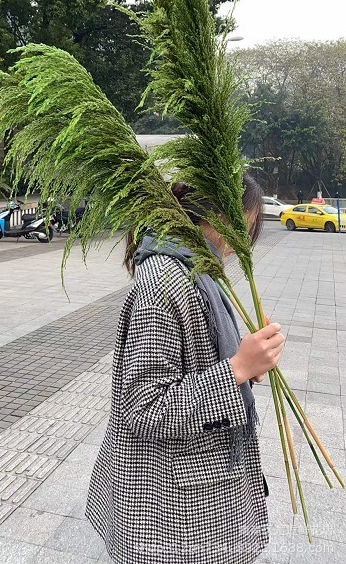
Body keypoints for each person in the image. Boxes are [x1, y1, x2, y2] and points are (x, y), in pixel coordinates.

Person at [85, 174, 285, 564]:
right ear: (224, 216)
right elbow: (143, 407)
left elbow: (193, 359)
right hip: (170, 509)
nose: (242, 244)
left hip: (192, 489)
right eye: (247, 228)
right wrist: (235, 370)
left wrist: (245, 365)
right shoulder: (165, 280)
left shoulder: (195, 268)